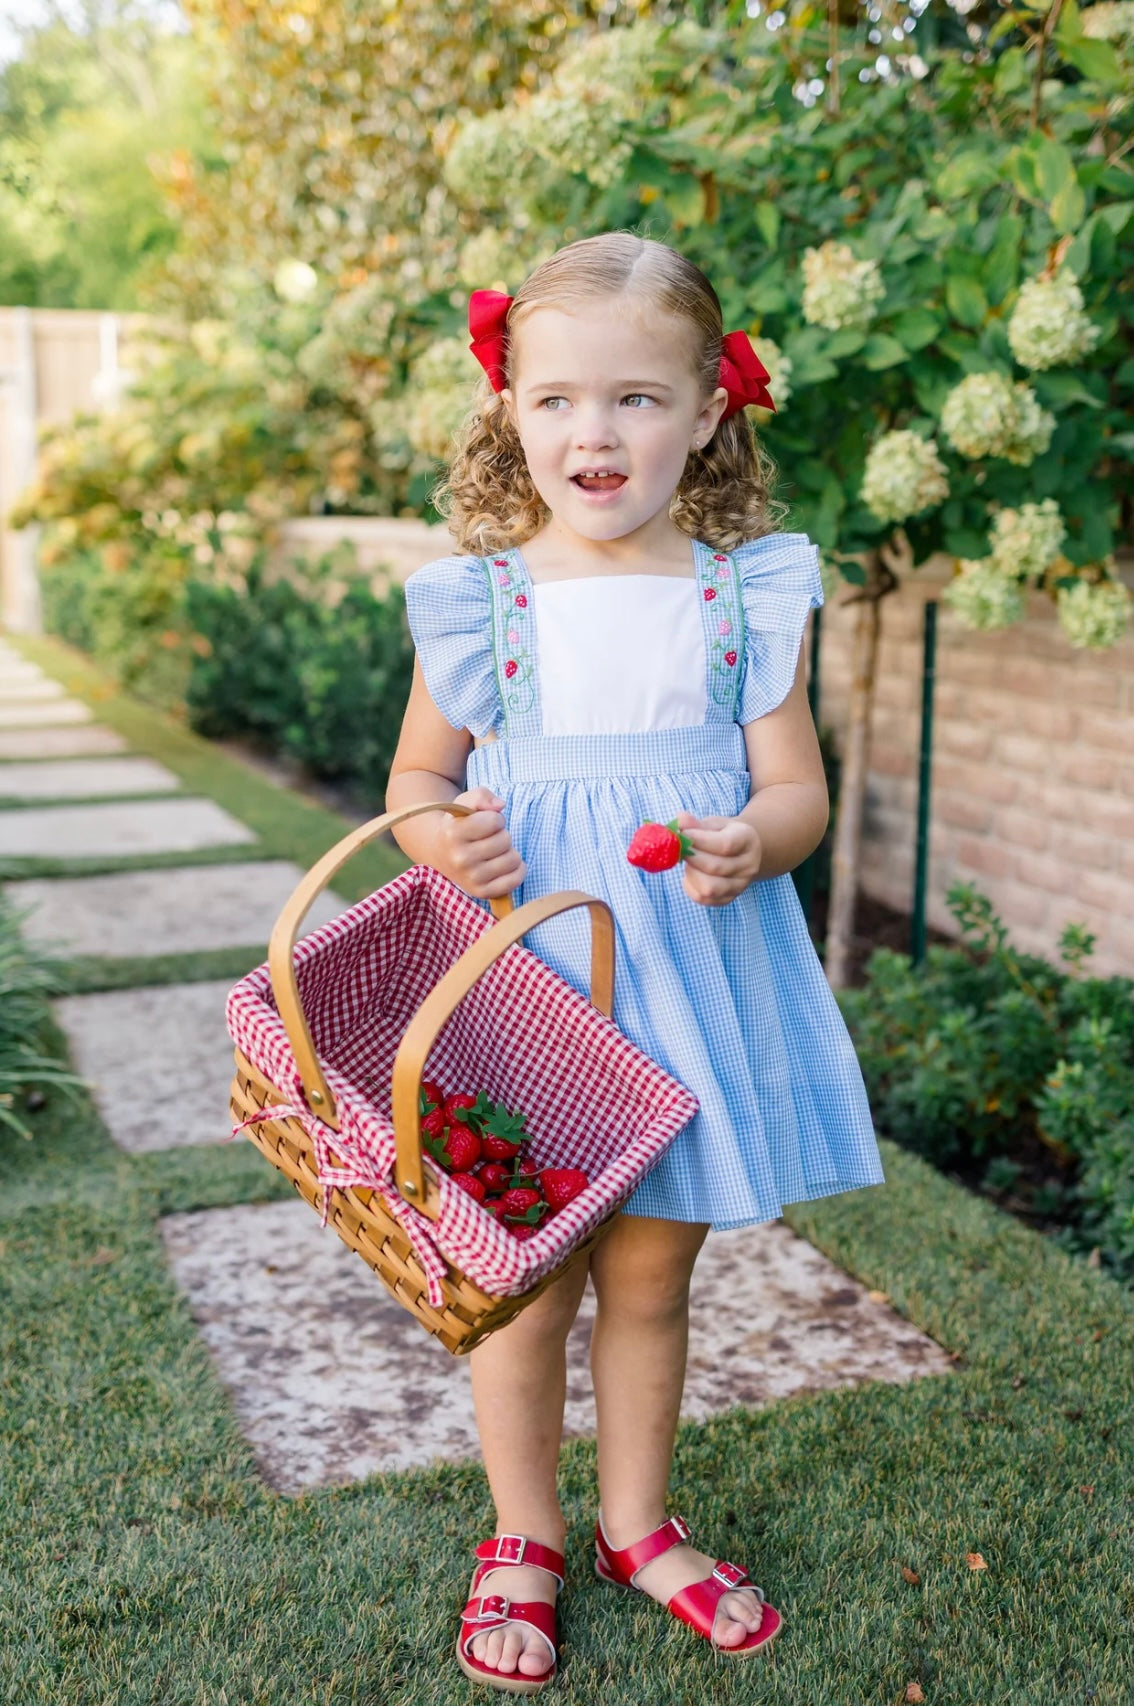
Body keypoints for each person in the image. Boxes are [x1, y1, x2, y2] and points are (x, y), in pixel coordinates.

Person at [385, 231, 884, 1691]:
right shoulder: (482, 602)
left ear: (707, 409)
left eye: (634, 399)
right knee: (528, 1274)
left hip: (684, 976)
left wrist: (755, 839)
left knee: (654, 1272)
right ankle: (522, 1532)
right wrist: (440, 840)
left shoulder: (742, 597)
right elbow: (417, 777)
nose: (591, 433)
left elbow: (797, 790)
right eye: (554, 401)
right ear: (510, 411)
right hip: (527, 976)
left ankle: (634, 1520)